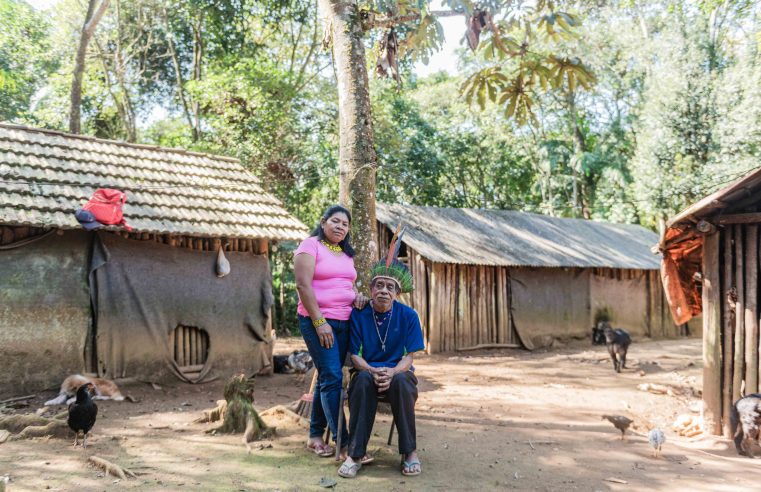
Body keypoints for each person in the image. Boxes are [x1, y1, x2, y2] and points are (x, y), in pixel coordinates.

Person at [338, 250, 425, 479]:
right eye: (379, 285)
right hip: (367, 371)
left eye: (389, 287)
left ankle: (409, 453)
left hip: (397, 373)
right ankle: (355, 455)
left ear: (397, 293)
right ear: (370, 289)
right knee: (363, 381)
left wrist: (392, 371)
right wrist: (372, 369)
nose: (384, 291)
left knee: (403, 383)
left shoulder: (409, 316)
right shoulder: (358, 315)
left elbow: (409, 357)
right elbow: (355, 356)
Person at [294, 205, 369, 458]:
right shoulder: (310, 245)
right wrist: (319, 322)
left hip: (345, 322)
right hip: (318, 322)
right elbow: (303, 286)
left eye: (345, 224)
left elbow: (345, 285)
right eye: (335, 221)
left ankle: (315, 436)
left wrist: (356, 297)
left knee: (328, 378)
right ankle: (343, 443)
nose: (340, 227)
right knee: (333, 378)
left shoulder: (346, 253)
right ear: (323, 222)